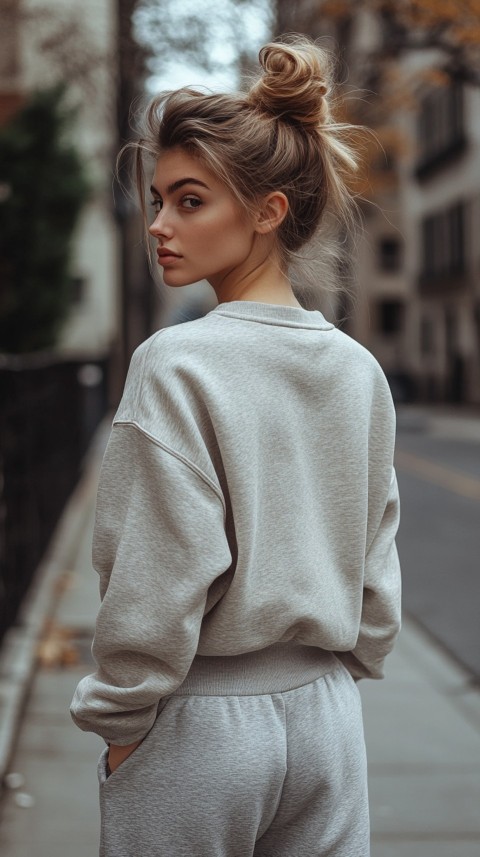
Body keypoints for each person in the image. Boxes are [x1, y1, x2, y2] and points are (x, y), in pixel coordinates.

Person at [71, 35, 401, 857]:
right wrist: (339, 663)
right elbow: (376, 559)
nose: (158, 224)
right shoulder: (356, 368)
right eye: (157, 200)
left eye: (189, 200)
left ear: (267, 212)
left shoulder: (176, 361)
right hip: (329, 720)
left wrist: (119, 721)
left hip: (199, 722)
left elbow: (155, 565)